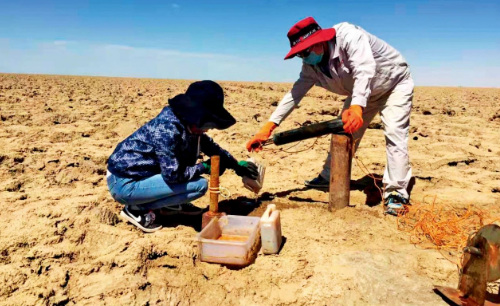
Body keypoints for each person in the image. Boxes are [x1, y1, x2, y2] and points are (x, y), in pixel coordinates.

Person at [246, 17, 414, 215]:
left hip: (393, 85)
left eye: (305, 52)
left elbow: (364, 69)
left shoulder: (350, 37)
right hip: (361, 93)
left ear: (319, 41)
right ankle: (329, 176)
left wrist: (357, 106)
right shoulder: (311, 66)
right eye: (299, 54)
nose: (303, 57)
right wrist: (268, 128)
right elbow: (294, 94)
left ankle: (396, 193)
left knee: (395, 134)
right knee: (344, 131)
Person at [107, 80, 258, 232]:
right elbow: (173, 175)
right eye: (207, 125)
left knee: (190, 167)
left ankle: (169, 203)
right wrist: (204, 167)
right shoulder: (167, 130)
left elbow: (213, 149)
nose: (208, 129)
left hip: (145, 175)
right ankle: (136, 208)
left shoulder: (188, 125)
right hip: (126, 183)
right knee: (198, 186)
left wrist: (236, 165)